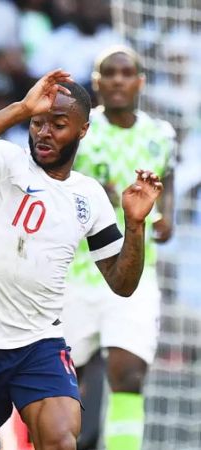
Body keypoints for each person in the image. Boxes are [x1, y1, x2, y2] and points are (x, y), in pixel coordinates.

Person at [0, 69, 162, 450]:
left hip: (38, 341)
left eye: (58, 125)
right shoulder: (5, 160)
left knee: (60, 439)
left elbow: (121, 284)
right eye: (37, 123)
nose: (44, 133)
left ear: (83, 130)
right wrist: (20, 108)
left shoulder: (89, 197)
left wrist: (135, 224)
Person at [61, 47, 176, 450]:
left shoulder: (160, 135)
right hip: (76, 273)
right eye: (108, 73)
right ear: (96, 82)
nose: (117, 80)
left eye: (126, 73)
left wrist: (169, 216)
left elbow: (170, 174)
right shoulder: (79, 132)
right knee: (63, 380)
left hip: (135, 273)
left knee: (128, 374)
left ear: (139, 81)